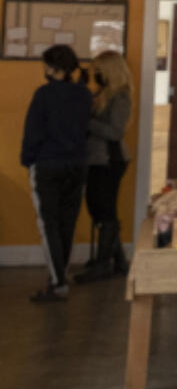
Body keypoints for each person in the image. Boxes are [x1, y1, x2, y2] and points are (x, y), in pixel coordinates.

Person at [21, 42, 93, 304]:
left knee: (49, 223)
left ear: (52, 68)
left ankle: (58, 282)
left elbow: (32, 133)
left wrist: (28, 161)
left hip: (48, 165)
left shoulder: (44, 94)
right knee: (67, 223)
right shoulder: (84, 95)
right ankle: (58, 276)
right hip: (77, 165)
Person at [74, 49, 133, 282]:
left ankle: (103, 263)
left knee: (102, 208)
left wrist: (87, 123)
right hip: (99, 159)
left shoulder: (121, 96)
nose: (95, 74)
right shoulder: (104, 94)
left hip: (110, 159)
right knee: (101, 207)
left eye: (98, 70)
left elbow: (116, 132)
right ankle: (116, 260)